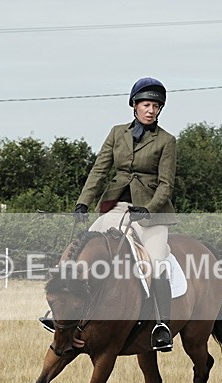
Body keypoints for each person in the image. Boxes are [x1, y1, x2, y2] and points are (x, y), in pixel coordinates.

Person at [41, 77, 177, 352]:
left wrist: (148, 209)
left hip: (151, 215)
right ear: (134, 106)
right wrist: (83, 203)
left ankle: (161, 325)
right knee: (80, 251)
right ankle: (62, 316)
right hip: (114, 208)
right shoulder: (117, 133)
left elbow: (166, 184)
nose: (152, 110)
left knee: (158, 263)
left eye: (157, 106)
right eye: (147, 104)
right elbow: (100, 170)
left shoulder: (167, 141)